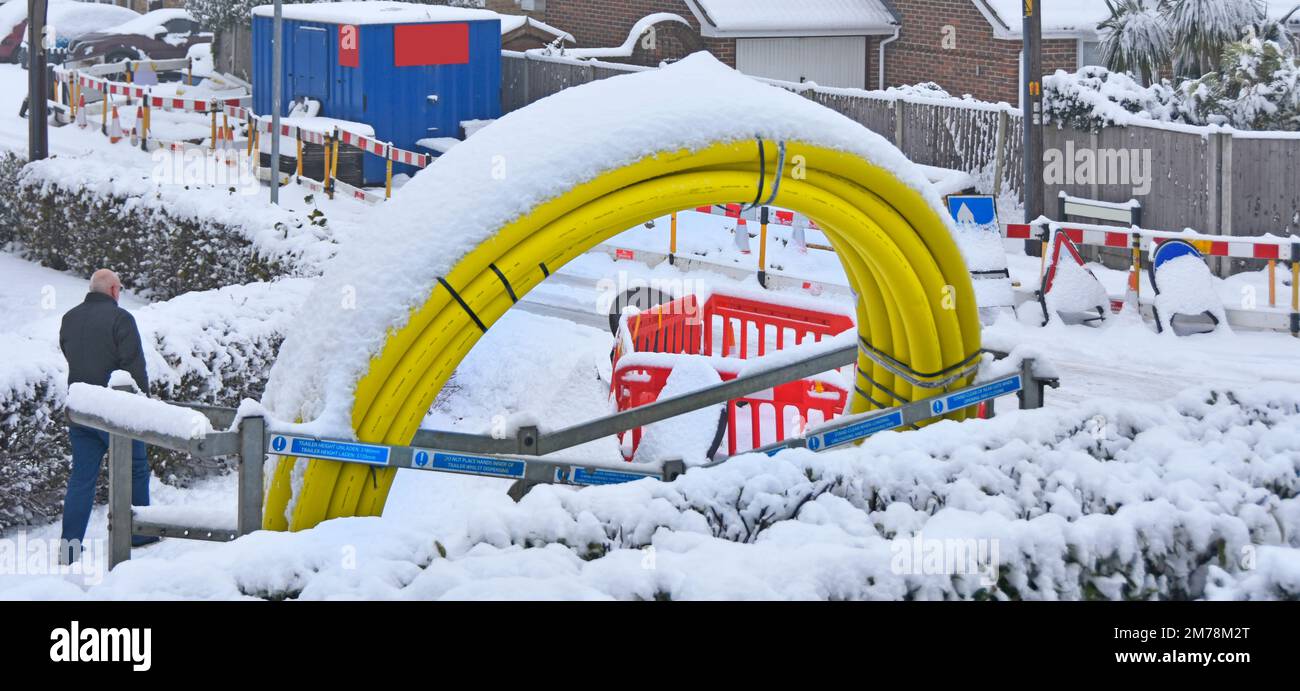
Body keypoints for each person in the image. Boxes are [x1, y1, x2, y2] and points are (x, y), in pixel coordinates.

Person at [58, 269, 158, 564]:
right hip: (115, 410)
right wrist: (144, 405)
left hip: (80, 408)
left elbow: (68, 353)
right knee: (136, 468)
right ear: (114, 290)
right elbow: (133, 367)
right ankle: (138, 532)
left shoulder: (69, 318)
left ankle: (70, 547)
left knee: (81, 478)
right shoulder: (121, 319)